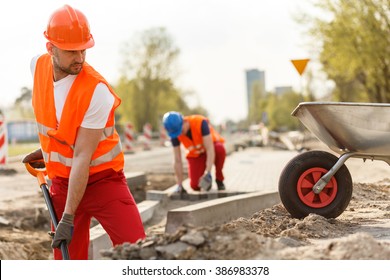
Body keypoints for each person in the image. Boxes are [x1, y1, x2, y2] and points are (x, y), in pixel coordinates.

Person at [22, 5, 145, 260]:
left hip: (104, 182)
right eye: (71, 51)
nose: (79, 57)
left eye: (83, 49)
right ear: (50, 48)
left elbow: (82, 156)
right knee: (68, 262)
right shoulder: (37, 68)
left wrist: (67, 218)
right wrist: (46, 151)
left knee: (138, 250)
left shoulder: (96, 91)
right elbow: (59, 126)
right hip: (64, 183)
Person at [162, 111, 226, 192]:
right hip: (196, 155)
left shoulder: (200, 122)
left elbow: (210, 149)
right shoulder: (175, 133)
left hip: (211, 149)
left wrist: (208, 173)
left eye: (181, 131)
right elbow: (177, 160)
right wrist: (179, 184)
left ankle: (219, 179)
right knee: (195, 185)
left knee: (219, 149)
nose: (180, 134)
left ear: (184, 121)